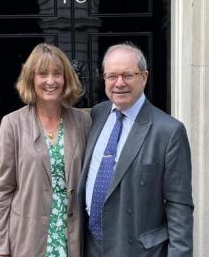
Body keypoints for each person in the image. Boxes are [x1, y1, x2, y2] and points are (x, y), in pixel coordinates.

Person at [77, 42, 193, 257]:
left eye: (127, 75)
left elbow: (179, 206)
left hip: (139, 250)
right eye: (112, 76)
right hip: (90, 246)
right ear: (104, 79)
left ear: (144, 77)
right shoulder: (97, 115)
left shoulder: (169, 131)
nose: (119, 83)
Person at [0, 43, 91, 257]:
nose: (50, 81)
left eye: (57, 73)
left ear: (66, 79)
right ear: (31, 78)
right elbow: (3, 189)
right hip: (28, 238)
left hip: (72, 237)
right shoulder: (12, 124)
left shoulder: (83, 121)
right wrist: (0, 247)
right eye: (42, 74)